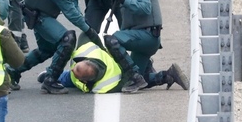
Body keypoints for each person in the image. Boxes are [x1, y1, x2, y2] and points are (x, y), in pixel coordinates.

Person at [5, 0, 106, 94]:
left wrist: (83, 20)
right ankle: (51, 79)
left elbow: (72, 0)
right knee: (67, 39)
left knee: (47, 49)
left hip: (39, 14)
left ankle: (13, 71)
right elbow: (70, 12)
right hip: (40, 17)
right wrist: (89, 30)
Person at [37, 33, 189, 93]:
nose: (72, 68)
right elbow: (86, 34)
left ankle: (166, 75)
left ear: (85, 81)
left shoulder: (103, 86)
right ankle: (153, 68)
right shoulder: (88, 51)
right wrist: (101, 47)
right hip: (129, 58)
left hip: (124, 71)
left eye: (74, 69)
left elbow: (131, 83)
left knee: (143, 80)